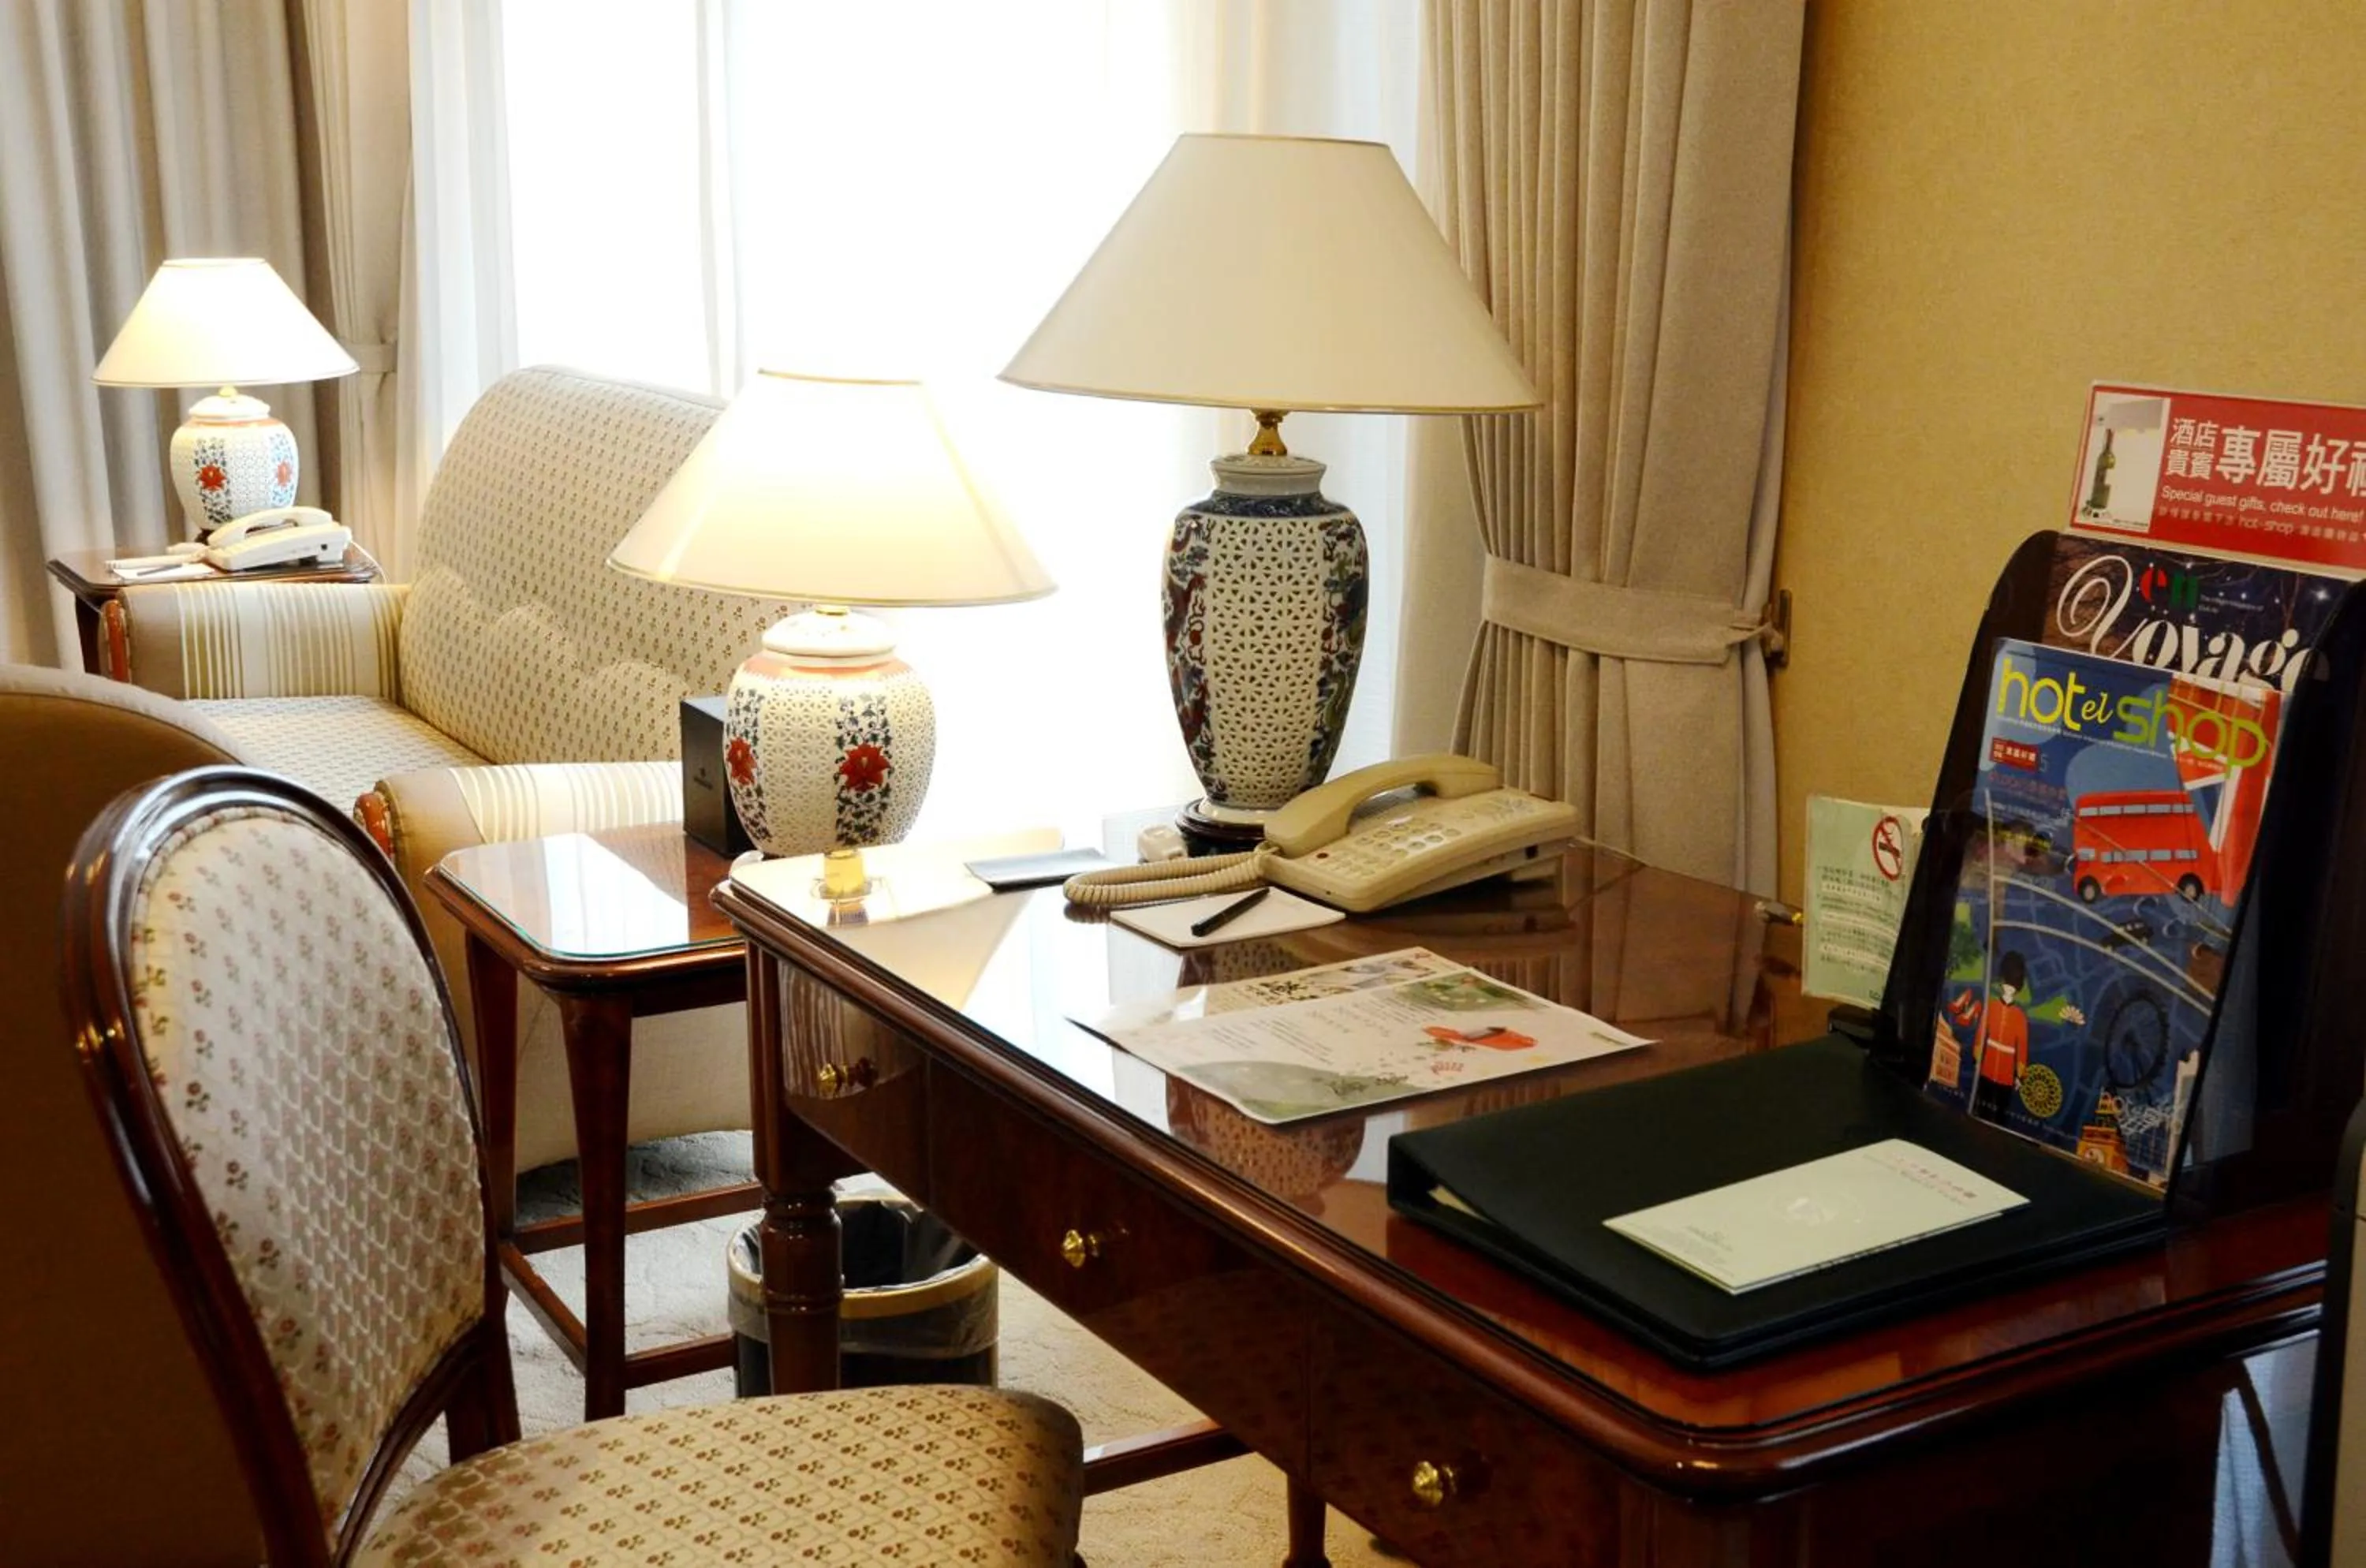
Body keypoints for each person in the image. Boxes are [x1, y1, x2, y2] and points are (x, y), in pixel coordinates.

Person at [1946, 950, 2086, 1122]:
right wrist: (1978, 1058)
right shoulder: (1992, 1006)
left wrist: (2019, 1075)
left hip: (2006, 1072)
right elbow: (1981, 1035)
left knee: (1999, 1115)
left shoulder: (2020, 1016)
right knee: (1980, 1108)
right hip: (1987, 1064)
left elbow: (2022, 1047)